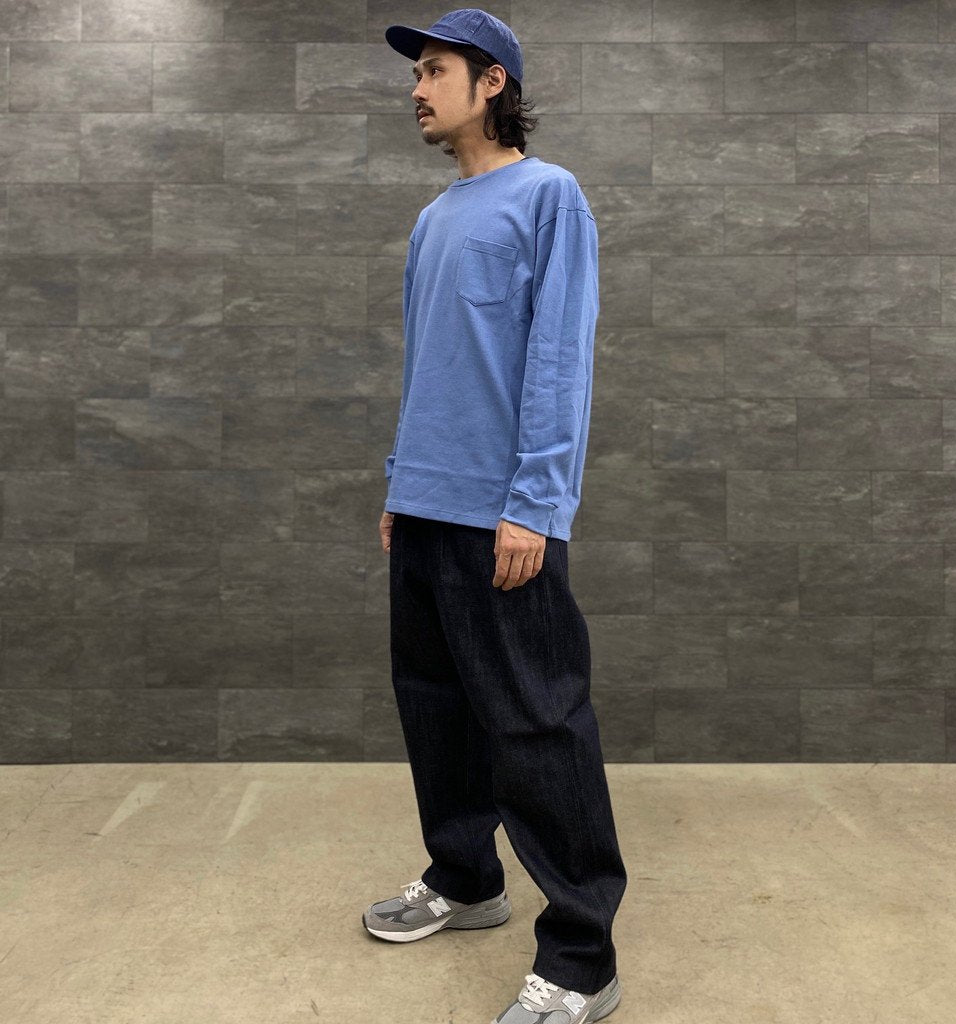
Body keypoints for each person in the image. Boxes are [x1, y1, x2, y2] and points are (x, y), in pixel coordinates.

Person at [364, 10, 628, 1023]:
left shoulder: (549, 196)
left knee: (537, 724)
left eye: (435, 70)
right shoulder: (435, 217)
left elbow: (559, 359)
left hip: (501, 517)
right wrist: (401, 485)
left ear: (493, 85)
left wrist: (534, 504)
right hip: (426, 507)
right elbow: (428, 366)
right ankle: (466, 878)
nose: (416, 88)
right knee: (435, 707)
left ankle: (582, 958)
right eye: (417, 73)